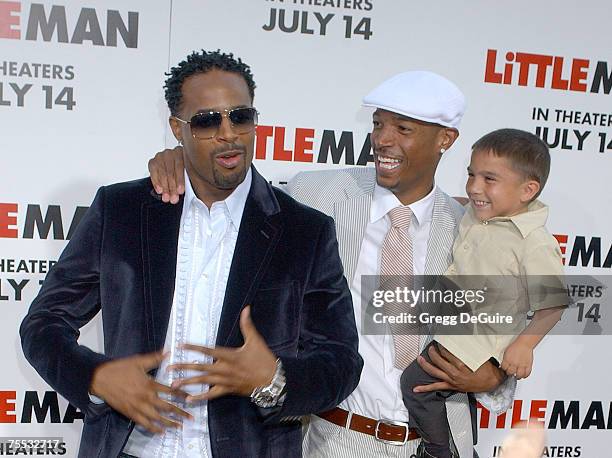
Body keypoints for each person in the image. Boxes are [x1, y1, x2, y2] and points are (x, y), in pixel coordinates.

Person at [147, 70, 513, 457]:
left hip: (436, 445)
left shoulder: (473, 233)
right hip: (333, 439)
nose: (382, 140)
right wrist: (181, 158)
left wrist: (494, 377)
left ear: (445, 139)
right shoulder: (314, 193)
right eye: (377, 125)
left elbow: (503, 334)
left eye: (402, 129)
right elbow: (233, 191)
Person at [20, 50, 363, 458]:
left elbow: (341, 362)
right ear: (176, 128)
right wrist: (96, 377)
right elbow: (43, 323)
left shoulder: (304, 230)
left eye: (241, 117)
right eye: (206, 121)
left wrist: (274, 379)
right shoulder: (123, 210)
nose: (228, 133)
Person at [401, 129, 567, 458]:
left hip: (481, 337)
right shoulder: (480, 214)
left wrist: (524, 345)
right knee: (449, 393)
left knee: (416, 384)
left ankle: (438, 451)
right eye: (471, 174)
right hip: (455, 326)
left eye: (489, 179)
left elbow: (554, 304)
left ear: (528, 190)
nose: (475, 187)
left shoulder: (534, 241)